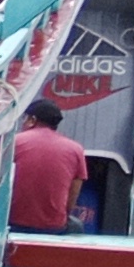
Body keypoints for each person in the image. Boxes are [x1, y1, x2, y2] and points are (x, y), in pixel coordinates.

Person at [9, 98, 88, 234]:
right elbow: (73, 195)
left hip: (14, 222)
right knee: (77, 226)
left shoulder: (14, 142)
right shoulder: (76, 149)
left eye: (24, 118)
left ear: (32, 120)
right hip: (54, 226)